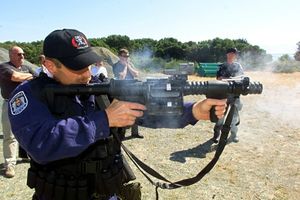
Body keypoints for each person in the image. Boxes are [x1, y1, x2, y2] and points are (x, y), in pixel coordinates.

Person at [8, 29, 226, 200]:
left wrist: (193, 111)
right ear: (49, 65)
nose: (87, 73)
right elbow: (42, 143)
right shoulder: (29, 95)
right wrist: (104, 120)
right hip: (60, 193)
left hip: (109, 189)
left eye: (88, 64)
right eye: (77, 67)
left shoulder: (100, 87)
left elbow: (144, 112)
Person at [0, 46, 36, 178]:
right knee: (9, 135)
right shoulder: (4, 67)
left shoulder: (26, 67)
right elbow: (15, 76)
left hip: (27, 104)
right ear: (11, 55)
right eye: (19, 54)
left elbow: (39, 77)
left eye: (23, 54)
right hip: (10, 103)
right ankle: (9, 164)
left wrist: (28, 76)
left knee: (28, 130)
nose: (23, 57)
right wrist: (30, 76)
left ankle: (25, 154)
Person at [212, 47, 244, 143]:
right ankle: (216, 135)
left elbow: (242, 78)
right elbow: (218, 78)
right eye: (230, 53)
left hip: (235, 95)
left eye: (233, 54)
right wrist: (224, 79)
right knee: (220, 116)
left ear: (235, 55)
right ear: (227, 55)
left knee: (234, 117)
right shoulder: (222, 66)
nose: (231, 55)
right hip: (224, 95)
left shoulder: (238, 66)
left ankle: (234, 135)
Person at [112, 48, 143, 138]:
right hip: (122, 91)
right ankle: (122, 134)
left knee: (135, 110)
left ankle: (135, 133)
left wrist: (128, 66)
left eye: (127, 56)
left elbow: (136, 74)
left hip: (132, 90)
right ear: (119, 56)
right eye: (124, 56)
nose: (126, 58)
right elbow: (121, 77)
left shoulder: (130, 64)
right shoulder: (115, 66)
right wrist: (125, 67)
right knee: (124, 111)